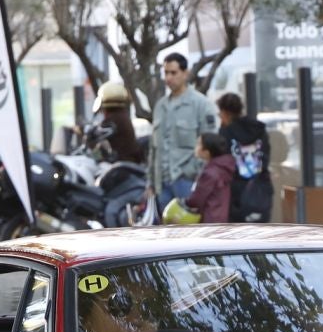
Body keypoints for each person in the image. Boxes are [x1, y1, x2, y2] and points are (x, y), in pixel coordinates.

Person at [148, 53, 215, 211]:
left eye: (173, 73)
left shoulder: (200, 104)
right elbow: (154, 149)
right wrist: (150, 183)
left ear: (185, 73)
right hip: (162, 185)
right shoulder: (160, 107)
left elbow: (211, 145)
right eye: (166, 73)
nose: (168, 78)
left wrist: (193, 172)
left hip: (187, 182)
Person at [215, 93, 273, 223]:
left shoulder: (225, 133)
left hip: (235, 192)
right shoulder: (259, 130)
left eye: (220, 113)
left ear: (225, 113)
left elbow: (222, 163)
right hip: (260, 189)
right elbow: (265, 156)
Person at [90, 80, 146, 165]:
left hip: (122, 165)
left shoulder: (112, 120)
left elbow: (97, 137)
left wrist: (88, 135)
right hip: (128, 162)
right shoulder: (121, 116)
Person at [187, 134, 235, 224]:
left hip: (209, 218)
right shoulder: (223, 168)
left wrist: (186, 202)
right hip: (221, 216)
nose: (196, 147)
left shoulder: (209, 173)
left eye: (199, 144)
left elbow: (197, 199)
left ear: (207, 152)